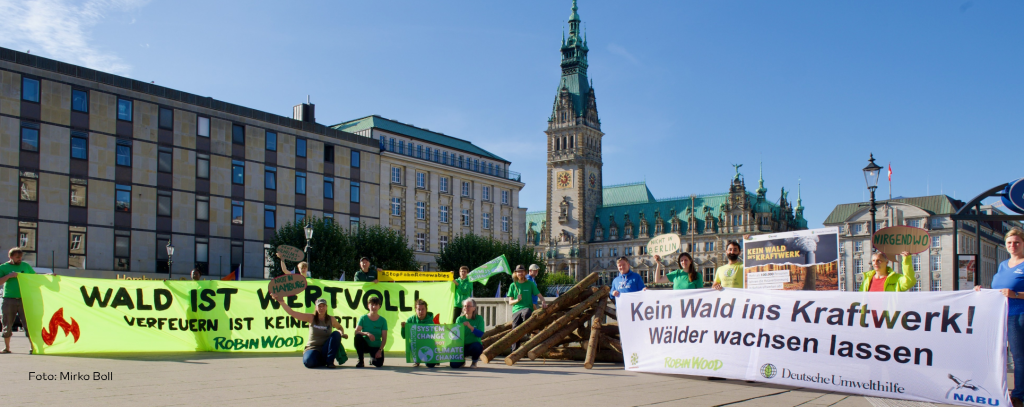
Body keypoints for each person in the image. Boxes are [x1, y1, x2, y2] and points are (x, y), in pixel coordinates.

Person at [976, 227, 1024, 406]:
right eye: (1010, 242)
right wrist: (981, 291)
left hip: (1019, 315)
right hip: (999, 315)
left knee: (1018, 357)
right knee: (997, 353)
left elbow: (1011, 292)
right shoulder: (1003, 265)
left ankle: (1018, 395)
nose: (1013, 245)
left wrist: (1016, 295)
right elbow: (998, 290)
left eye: (1017, 242)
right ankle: (996, 389)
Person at [272, 296, 348, 368]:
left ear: (326, 307)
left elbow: (340, 327)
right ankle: (321, 361)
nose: (321, 308)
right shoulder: (311, 317)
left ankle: (329, 361)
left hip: (325, 348)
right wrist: (281, 301)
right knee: (308, 362)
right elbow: (292, 313)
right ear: (316, 307)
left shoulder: (331, 319)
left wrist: (341, 333)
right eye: (319, 306)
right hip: (313, 348)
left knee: (336, 334)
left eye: (323, 306)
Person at [0, 248, 35, 354]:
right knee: (7, 323)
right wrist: (9, 276)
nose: (20, 259)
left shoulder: (26, 266)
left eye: (21, 257)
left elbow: (35, 278)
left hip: (24, 298)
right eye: (17, 257)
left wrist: (49, 276)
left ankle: (33, 347)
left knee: (28, 324)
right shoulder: (3, 267)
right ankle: (7, 348)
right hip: (9, 299)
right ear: (10, 257)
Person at [507, 265, 543, 351]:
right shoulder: (513, 285)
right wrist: (517, 300)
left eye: (522, 271)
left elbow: (538, 294)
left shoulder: (530, 283)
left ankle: (527, 330)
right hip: (516, 310)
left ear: (525, 273)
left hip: (527, 307)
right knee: (515, 331)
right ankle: (514, 351)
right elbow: (510, 302)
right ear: (515, 273)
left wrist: (543, 301)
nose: (520, 273)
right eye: (518, 271)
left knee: (526, 313)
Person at [401, 299, 437, 368]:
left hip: (427, 346)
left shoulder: (431, 322)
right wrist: (403, 328)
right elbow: (404, 336)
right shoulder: (410, 320)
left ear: (426, 309)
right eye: (418, 309)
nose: (421, 311)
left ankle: (433, 358)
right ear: (415, 310)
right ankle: (416, 359)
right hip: (415, 344)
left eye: (423, 309)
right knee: (409, 346)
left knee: (430, 365)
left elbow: (432, 338)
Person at [354, 295, 387, 367]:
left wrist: (380, 350)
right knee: (357, 337)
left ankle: (372, 359)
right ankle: (360, 361)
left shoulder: (383, 320)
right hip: (365, 345)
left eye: (376, 305)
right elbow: (356, 332)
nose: (374, 307)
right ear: (368, 306)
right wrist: (367, 333)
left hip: (376, 346)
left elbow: (384, 338)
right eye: (372, 305)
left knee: (378, 364)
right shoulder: (363, 318)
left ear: (379, 306)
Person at [451, 298, 485, 368]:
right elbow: (455, 335)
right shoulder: (459, 319)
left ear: (474, 308)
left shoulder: (479, 318)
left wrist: (470, 327)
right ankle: (462, 360)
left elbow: (480, 334)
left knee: (477, 347)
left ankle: (474, 362)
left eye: (469, 306)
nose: (466, 308)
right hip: (461, 346)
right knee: (453, 365)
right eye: (465, 306)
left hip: (473, 345)